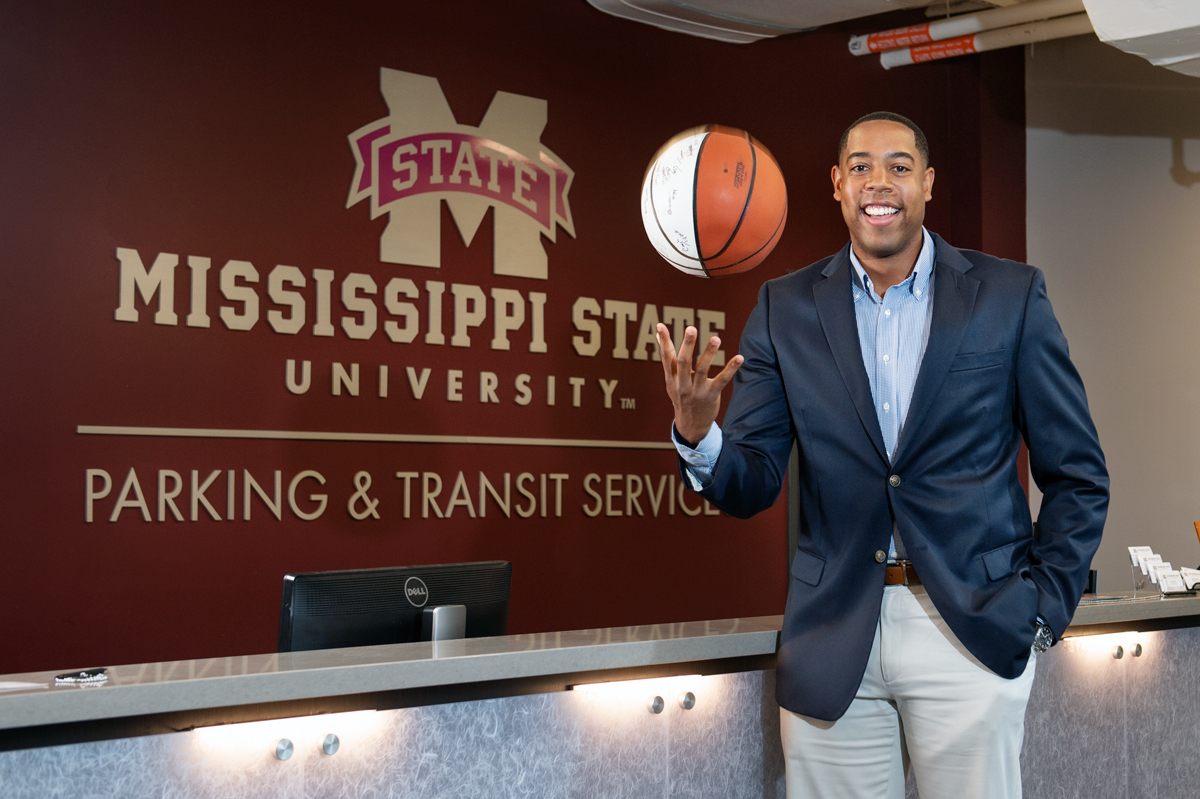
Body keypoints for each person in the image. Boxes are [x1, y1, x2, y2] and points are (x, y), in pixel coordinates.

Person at [655, 111, 1108, 799]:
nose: (880, 182)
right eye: (861, 166)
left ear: (927, 183)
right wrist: (698, 435)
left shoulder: (1010, 297)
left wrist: (1041, 610)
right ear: (838, 185)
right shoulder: (786, 308)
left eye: (899, 166)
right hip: (835, 633)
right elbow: (751, 480)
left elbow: (1077, 472)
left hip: (971, 626)